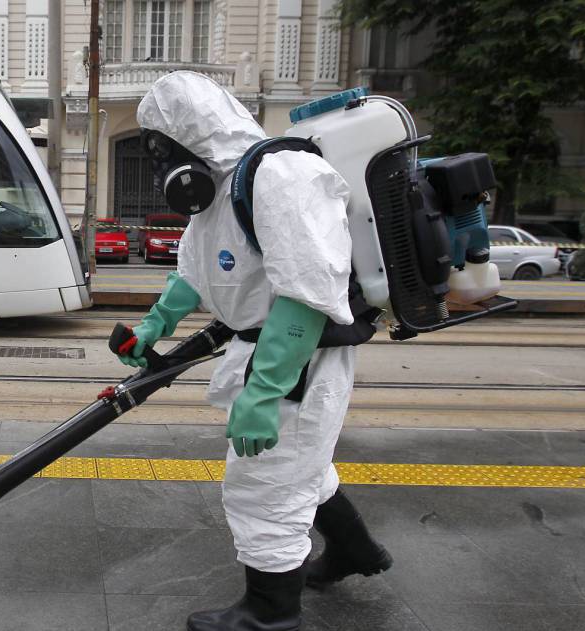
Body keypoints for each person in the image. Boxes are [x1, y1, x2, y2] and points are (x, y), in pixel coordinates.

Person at [117, 72, 391, 631]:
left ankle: (270, 614)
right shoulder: (218, 189)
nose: (158, 162)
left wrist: (265, 390)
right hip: (267, 351)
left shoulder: (281, 173)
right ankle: (356, 551)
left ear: (189, 133)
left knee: (264, 484)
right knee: (303, 471)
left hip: (297, 359)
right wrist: (152, 328)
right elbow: (195, 273)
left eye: (160, 146)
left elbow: (307, 291)